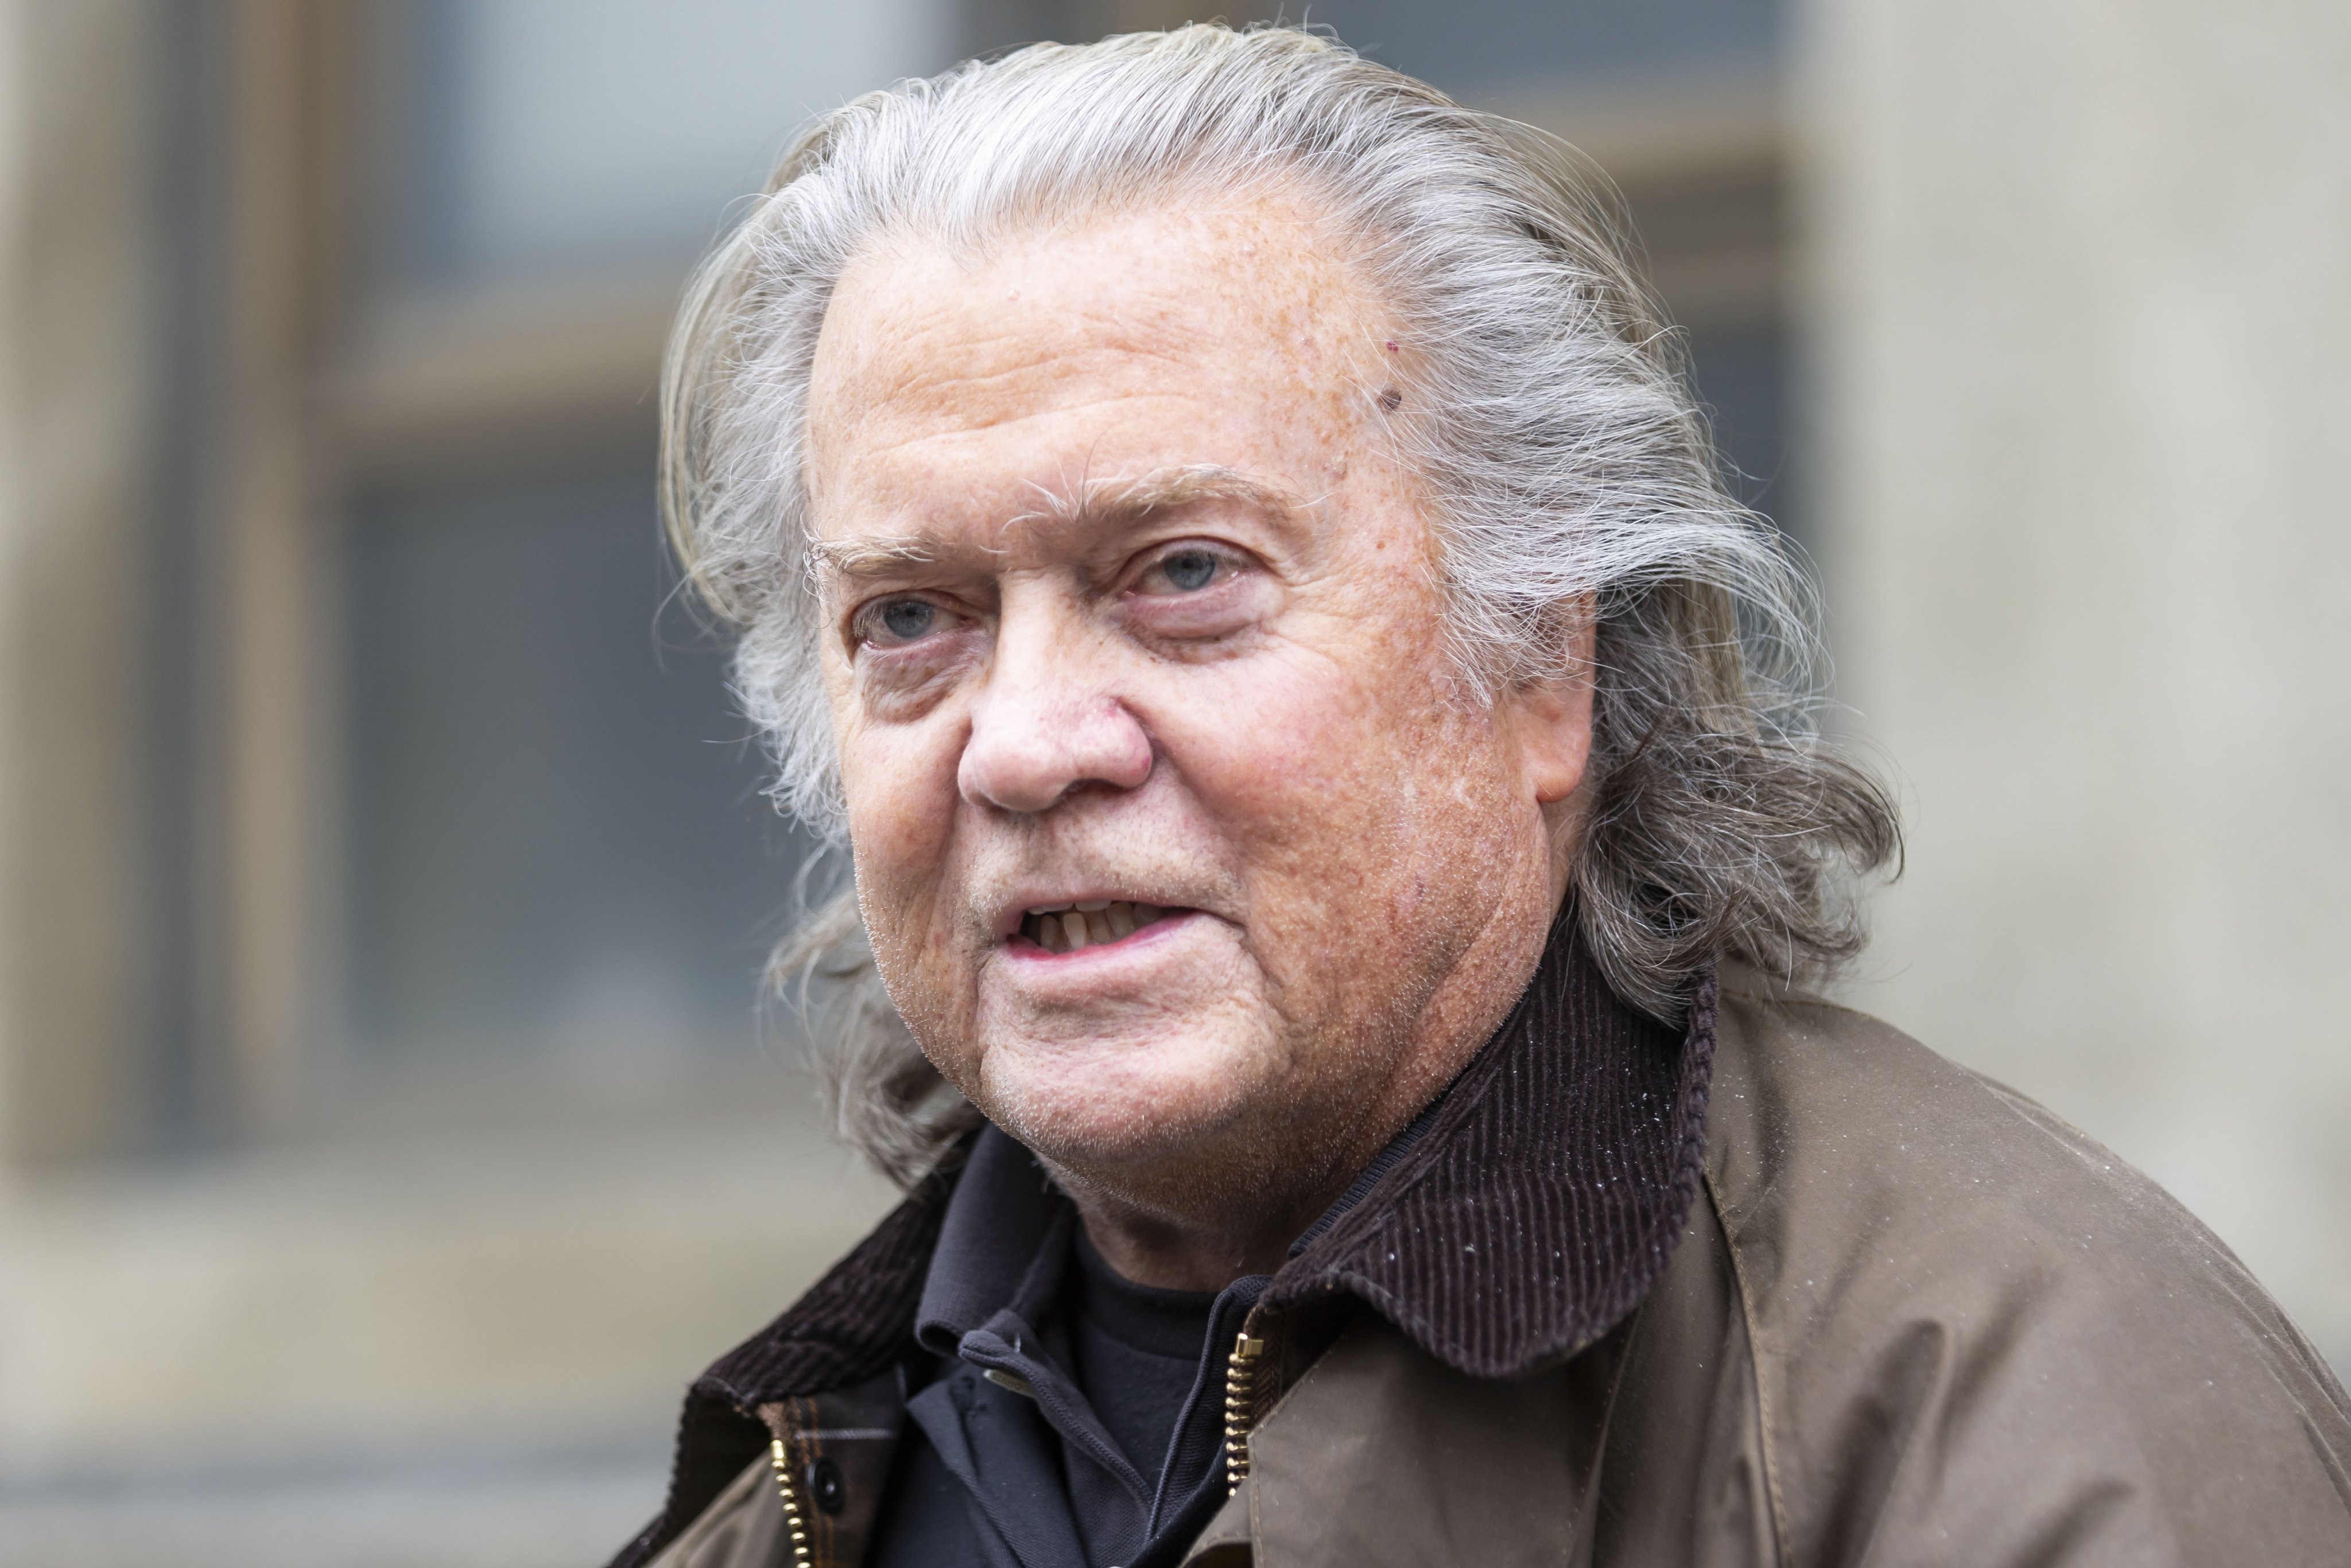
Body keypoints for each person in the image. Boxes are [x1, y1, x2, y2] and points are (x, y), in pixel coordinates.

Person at [611, 25, 2351, 1568]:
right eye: (912, 617)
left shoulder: (2013, 1417)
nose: (1025, 741)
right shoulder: (786, 1486)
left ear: (1542, 666)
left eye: (1185, 574)